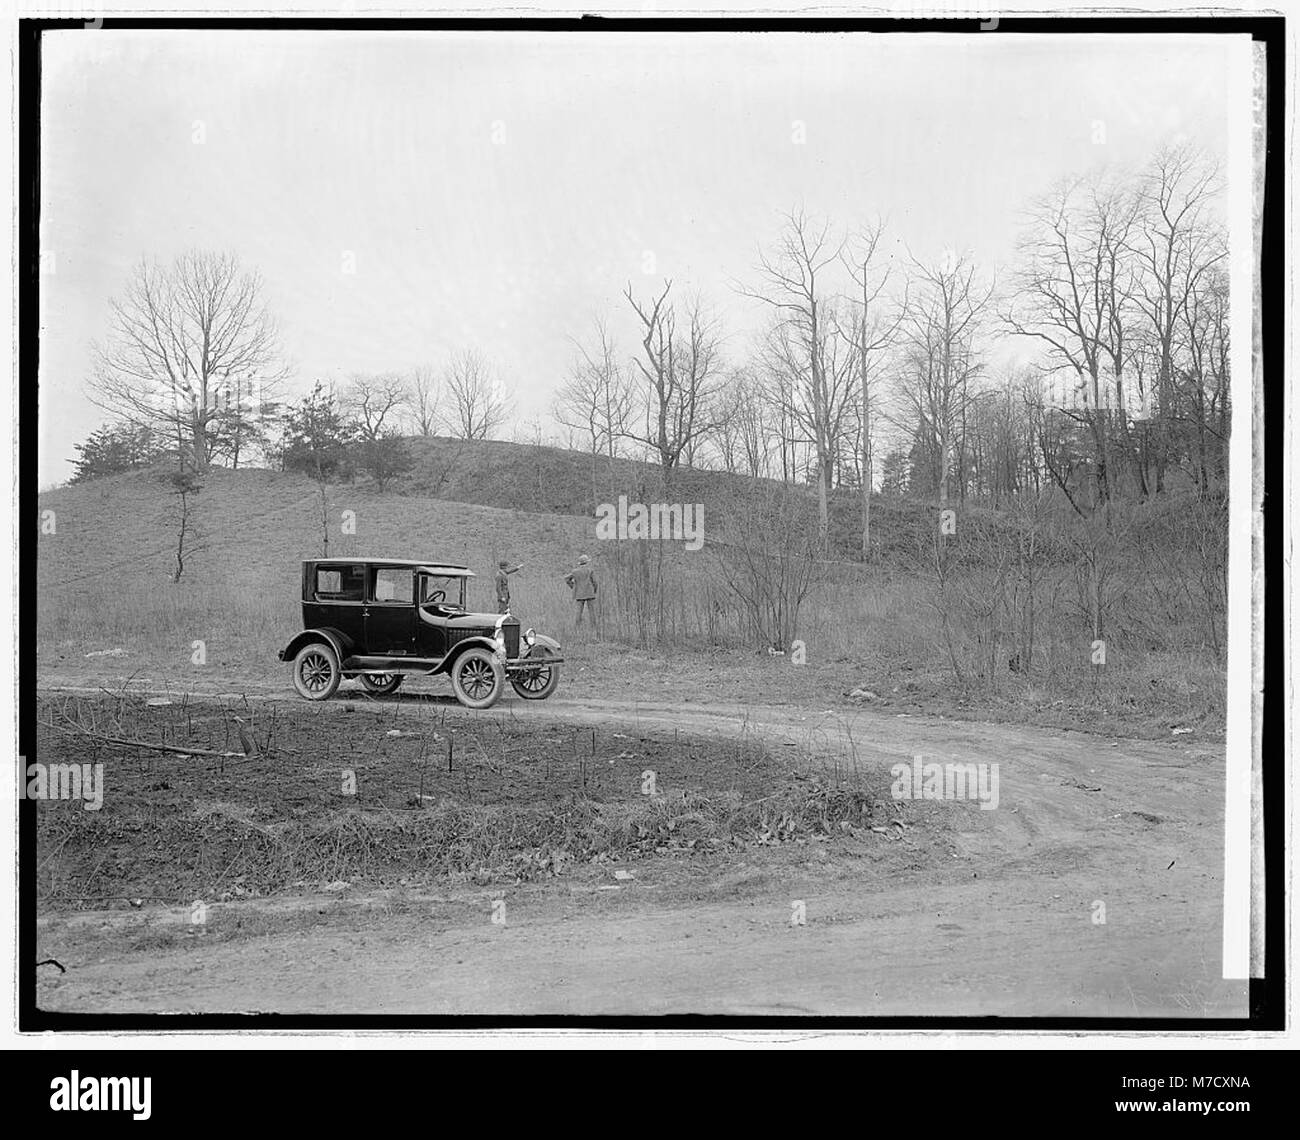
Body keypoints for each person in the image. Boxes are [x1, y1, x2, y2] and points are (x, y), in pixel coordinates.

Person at [563, 554, 597, 632]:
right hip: (590, 593)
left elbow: (566, 579)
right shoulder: (590, 570)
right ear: (587, 562)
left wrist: (573, 586)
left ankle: (577, 628)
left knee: (578, 612)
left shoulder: (575, 572)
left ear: (580, 563)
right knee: (592, 612)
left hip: (579, 594)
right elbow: (595, 582)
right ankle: (593, 628)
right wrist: (594, 590)